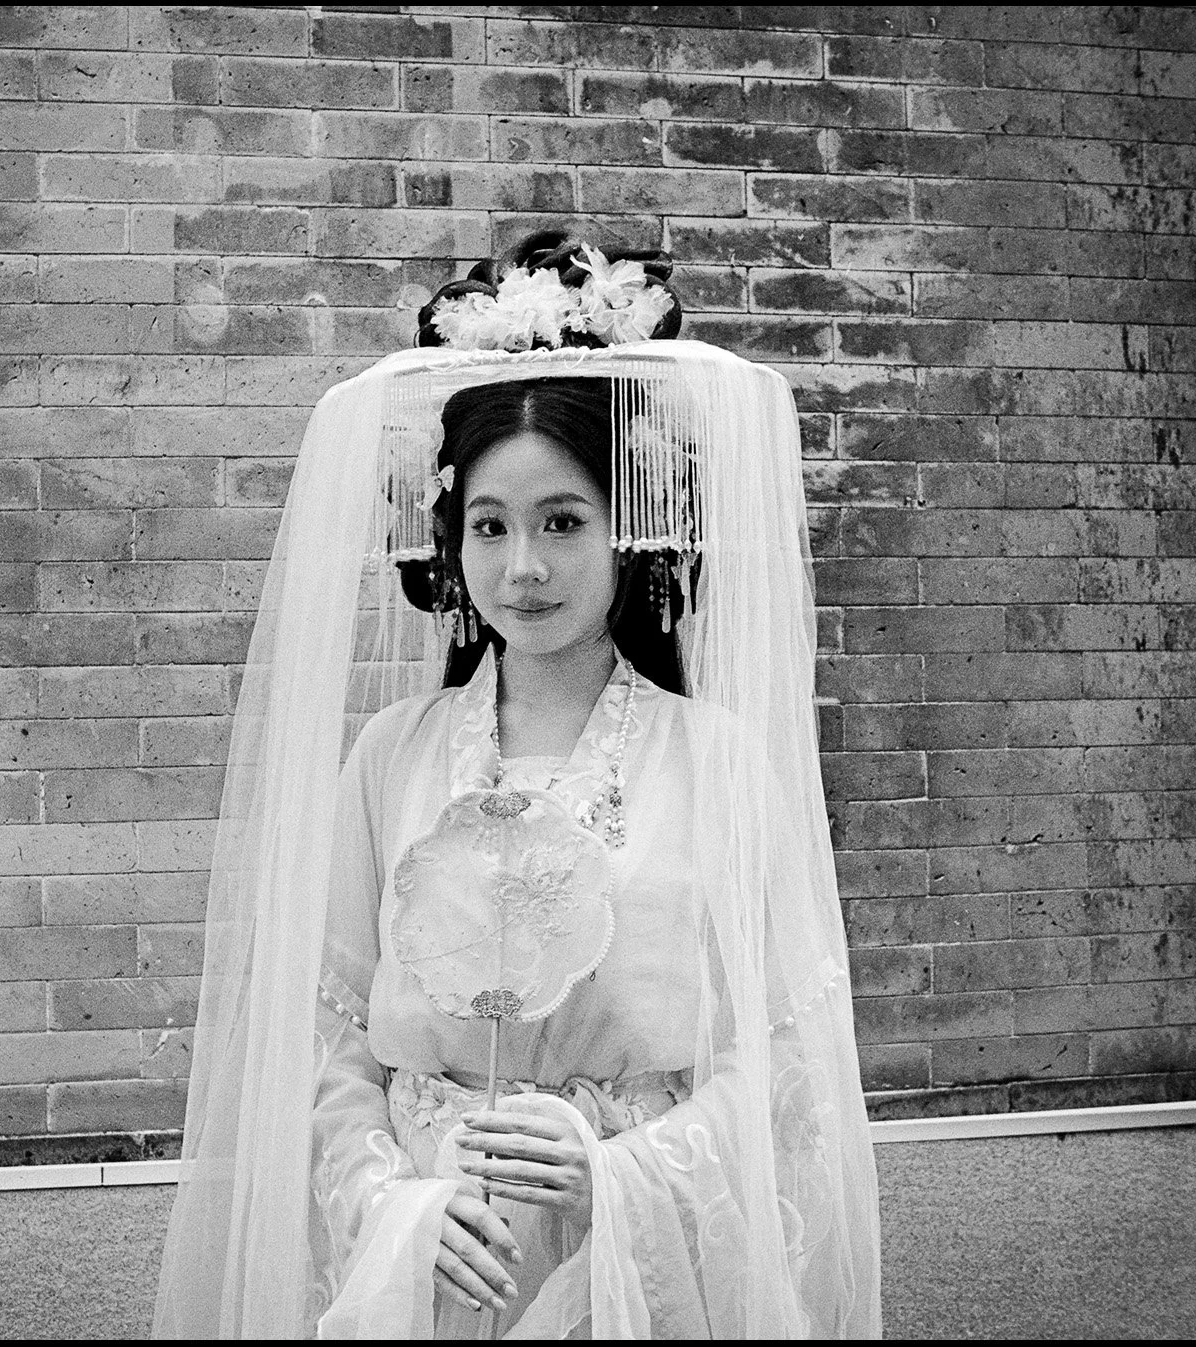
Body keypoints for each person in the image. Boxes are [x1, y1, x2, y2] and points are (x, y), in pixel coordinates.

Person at [155, 232, 881, 1338]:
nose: (523, 567)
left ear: (633, 534)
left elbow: (785, 1059)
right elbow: (326, 1040)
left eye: (563, 522)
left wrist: (619, 1172)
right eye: (489, 526)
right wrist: (392, 1206)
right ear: (452, 542)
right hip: (435, 1257)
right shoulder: (390, 758)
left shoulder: (717, 760)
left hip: (630, 1259)